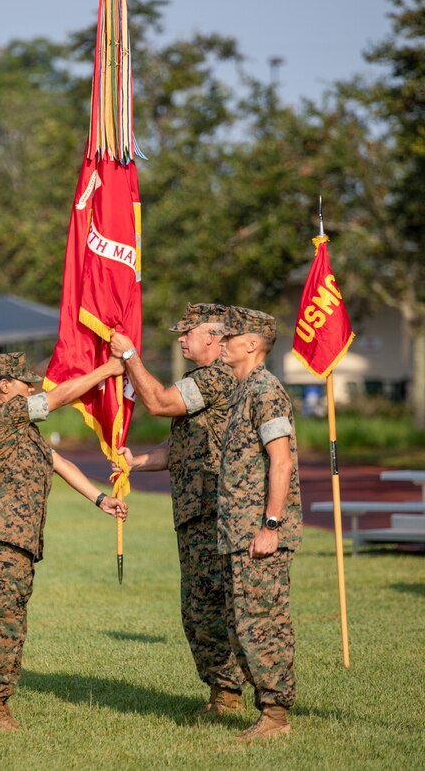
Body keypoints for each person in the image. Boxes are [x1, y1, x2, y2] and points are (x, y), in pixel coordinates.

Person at [0, 351, 128, 732]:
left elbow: (63, 465)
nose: (31, 388)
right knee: (0, 625)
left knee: (13, 624)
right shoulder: (5, 416)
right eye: (24, 383)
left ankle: (0, 707)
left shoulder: (24, 430)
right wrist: (106, 370)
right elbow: (60, 397)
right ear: (4, 386)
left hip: (16, 543)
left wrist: (102, 499)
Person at [110, 303, 245, 716]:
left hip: (218, 512)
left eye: (189, 332)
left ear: (214, 338)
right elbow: (178, 445)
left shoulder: (219, 376)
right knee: (198, 608)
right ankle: (224, 696)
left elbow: (159, 403)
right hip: (194, 513)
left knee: (221, 606)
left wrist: (131, 355)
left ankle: (241, 695)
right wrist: (138, 462)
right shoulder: (198, 379)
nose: (181, 338)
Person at [209, 307, 302, 742]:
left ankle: (276, 716)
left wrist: (270, 525)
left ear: (252, 344)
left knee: (262, 623)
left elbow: (280, 461)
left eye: (230, 337)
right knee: (240, 624)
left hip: (258, 534)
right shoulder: (242, 391)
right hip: (238, 533)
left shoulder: (266, 390)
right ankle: (268, 711)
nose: (221, 343)